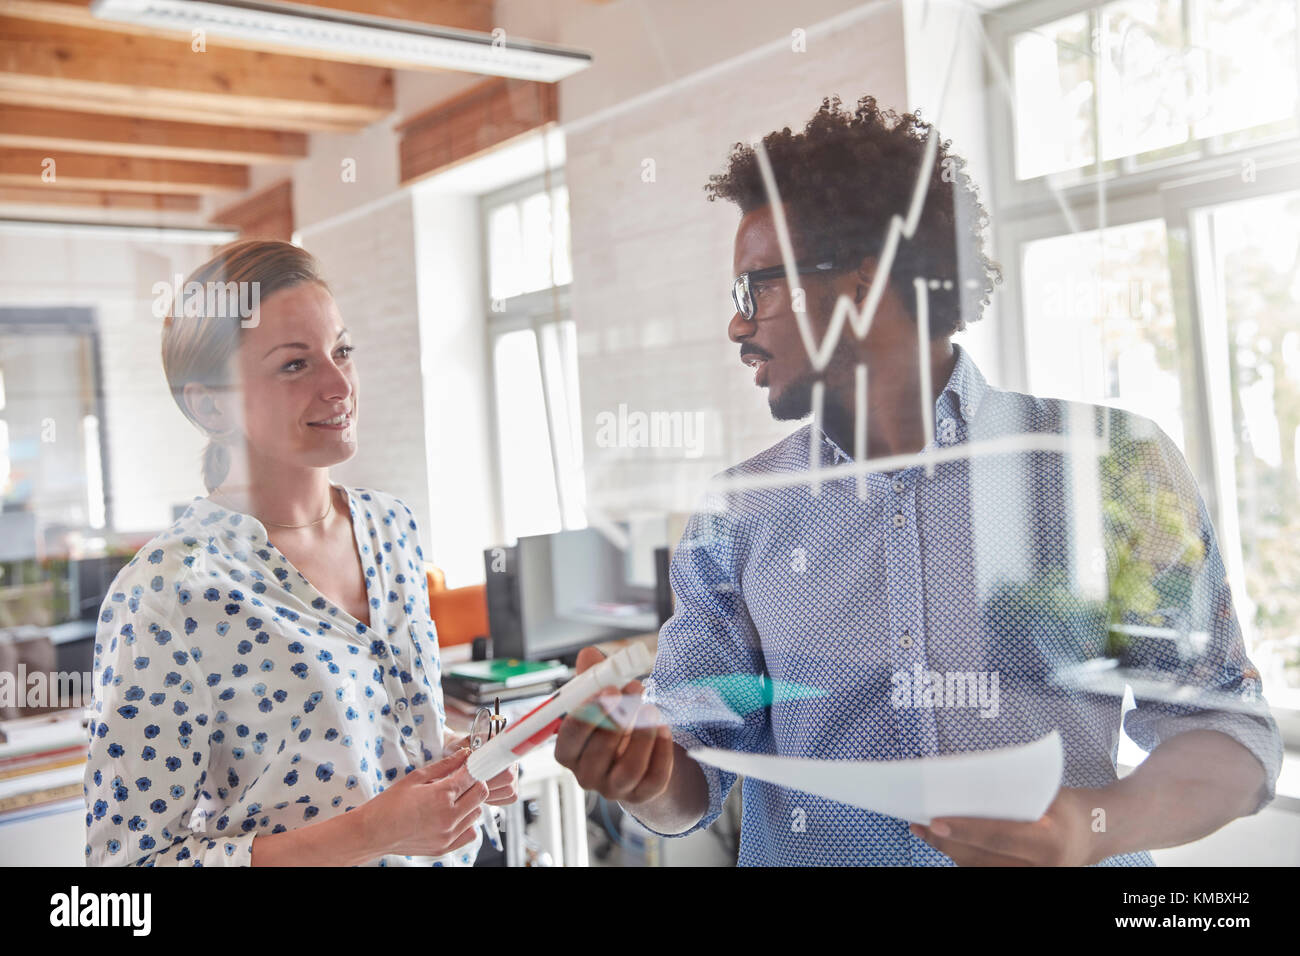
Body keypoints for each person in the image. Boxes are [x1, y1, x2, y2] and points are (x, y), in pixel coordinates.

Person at [553, 96, 1283, 866]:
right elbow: (693, 773)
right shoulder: (737, 514)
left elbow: (1229, 733)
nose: (738, 326)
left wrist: (1089, 825)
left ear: (864, 285)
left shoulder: (1111, 466)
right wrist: (640, 772)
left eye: (756, 289)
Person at [84, 239, 516, 866]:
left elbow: (369, 746)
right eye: (295, 365)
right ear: (210, 403)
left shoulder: (393, 528)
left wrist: (462, 759)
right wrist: (374, 833)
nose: (339, 385)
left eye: (341, 351)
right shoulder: (166, 594)